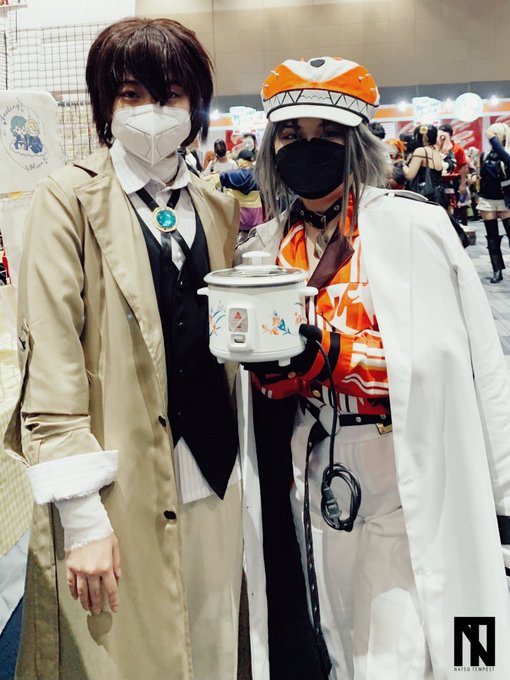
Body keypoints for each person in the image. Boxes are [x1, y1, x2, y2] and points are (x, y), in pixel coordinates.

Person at [238, 55, 510, 680]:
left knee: (420, 640)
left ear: (357, 143)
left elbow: (468, 366)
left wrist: (502, 492)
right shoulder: (264, 246)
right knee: (336, 636)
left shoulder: (414, 228)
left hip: (408, 458)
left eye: (328, 135)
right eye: (291, 135)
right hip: (312, 467)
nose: (308, 148)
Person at [5, 17, 243, 680]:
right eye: (132, 94)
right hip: (118, 486)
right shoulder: (68, 201)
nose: (151, 111)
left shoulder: (216, 205)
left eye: (170, 94)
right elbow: (51, 364)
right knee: (121, 655)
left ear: (195, 104)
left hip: (215, 476)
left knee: (212, 644)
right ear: (106, 104)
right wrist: (82, 519)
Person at [205, 148, 264, 241]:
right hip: (256, 219)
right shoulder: (261, 175)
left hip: (237, 219)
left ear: (241, 160)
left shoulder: (232, 174)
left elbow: (211, 180)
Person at [478, 123, 510, 283]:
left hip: (506, 199)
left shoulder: (507, 154)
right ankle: (497, 269)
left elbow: (507, 160)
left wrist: (494, 140)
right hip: (487, 199)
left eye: (495, 136)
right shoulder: (485, 155)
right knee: (492, 237)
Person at [402, 124, 446, 206]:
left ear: (425, 136)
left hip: (424, 196)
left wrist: (401, 164)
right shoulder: (436, 152)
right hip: (438, 195)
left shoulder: (420, 151)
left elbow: (409, 175)